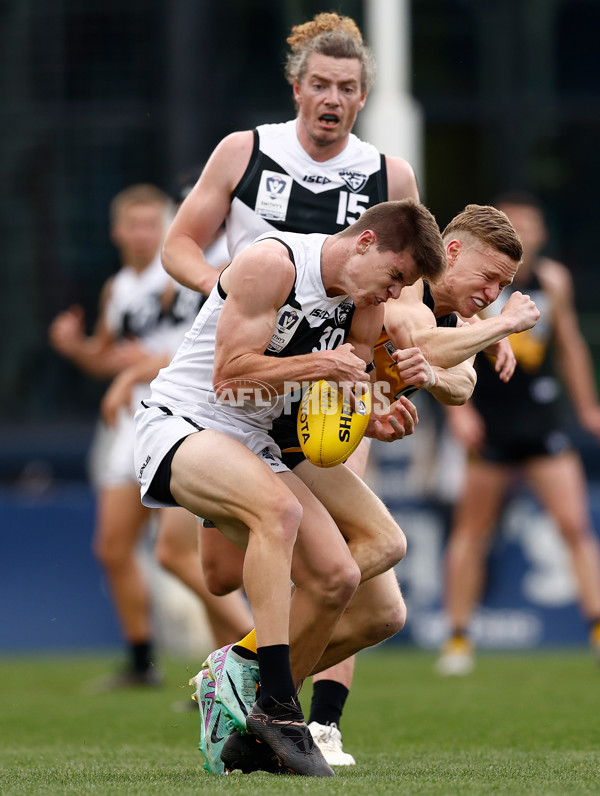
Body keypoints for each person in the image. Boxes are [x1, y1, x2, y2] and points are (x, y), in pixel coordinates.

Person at [194, 203, 540, 774]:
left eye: (505, 286)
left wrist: (457, 353)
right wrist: (501, 328)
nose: (495, 292)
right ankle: (257, 681)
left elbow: (458, 384)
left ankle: (270, 693)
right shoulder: (401, 292)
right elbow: (422, 347)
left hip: (308, 440)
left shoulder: (454, 322)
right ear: (449, 254)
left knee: (379, 606)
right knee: (221, 573)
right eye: (490, 277)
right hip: (256, 422)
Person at [161, 10, 420, 765]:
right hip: (245, 380)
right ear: (296, 87)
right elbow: (181, 243)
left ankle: (307, 715)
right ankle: (249, 670)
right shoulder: (246, 151)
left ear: (363, 96)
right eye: (318, 84)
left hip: (329, 389)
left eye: (345, 86)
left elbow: (405, 281)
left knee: (349, 565)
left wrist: (415, 341)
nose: (330, 97)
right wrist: (228, 293)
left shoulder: (387, 176)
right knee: (218, 573)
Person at [134, 199, 448, 776]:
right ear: (365, 242)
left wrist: (371, 415)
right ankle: (277, 706)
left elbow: (340, 396)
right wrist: (319, 367)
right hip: (186, 424)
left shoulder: (363, 305)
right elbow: (228, 376)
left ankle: (246, 707)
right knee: (278, 514)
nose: (393, 293)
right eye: (395, 276)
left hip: (259, 442)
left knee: (349, 579)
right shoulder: (273, 263)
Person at [49, 184, 252, 690]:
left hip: (186, 414)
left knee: (181, 557)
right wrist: (75, 350)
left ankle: (254, 652)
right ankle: (144, 662)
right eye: (133, 224)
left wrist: (131, 371)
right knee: (114, 548)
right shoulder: (118, 289)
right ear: (118, 231)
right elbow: (107, 355)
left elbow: (207, 347)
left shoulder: (187, 274)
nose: (143, 233)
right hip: (131, 426)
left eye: (152, 222)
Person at [437, 192, 600, 676]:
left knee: (574, 524)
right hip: (485, 414)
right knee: (474, 529)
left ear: (542, 234)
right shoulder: (474, 285)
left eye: (531, 224)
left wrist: (587, 406)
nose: (524, 232)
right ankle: (459, 638)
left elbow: (569, 344)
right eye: (515, 225)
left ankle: (596, 626)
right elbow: (440, 340)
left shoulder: (553, 281)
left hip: (542, 416)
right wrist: (456, 415)